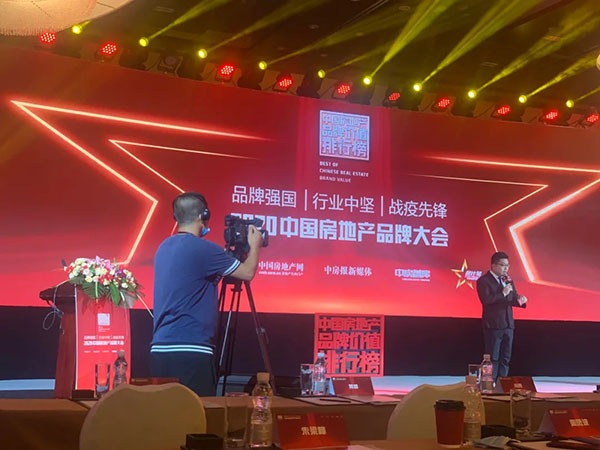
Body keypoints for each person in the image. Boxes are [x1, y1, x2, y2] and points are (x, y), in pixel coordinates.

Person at [150, 192, 262, 396]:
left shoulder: (163, 248)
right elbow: (247, 273)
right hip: (192, 351)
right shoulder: (205, 249)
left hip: (160, 352)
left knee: (165, 412)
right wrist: (255, 246)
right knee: (196, 413)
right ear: (203, 215)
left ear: (176, 217)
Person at [476, 251, 528, 381]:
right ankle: (490, 383)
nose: (506, 268)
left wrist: (520, 300)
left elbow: (512, 298)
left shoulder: (507, 280)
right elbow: (486, 300)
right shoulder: (483, 281)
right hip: (493, 325)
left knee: (505, 357)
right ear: (494, 265)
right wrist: (503, 293)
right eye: (503, 265)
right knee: (493, 358)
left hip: (508, 324)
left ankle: (502, 383)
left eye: (507, 265)